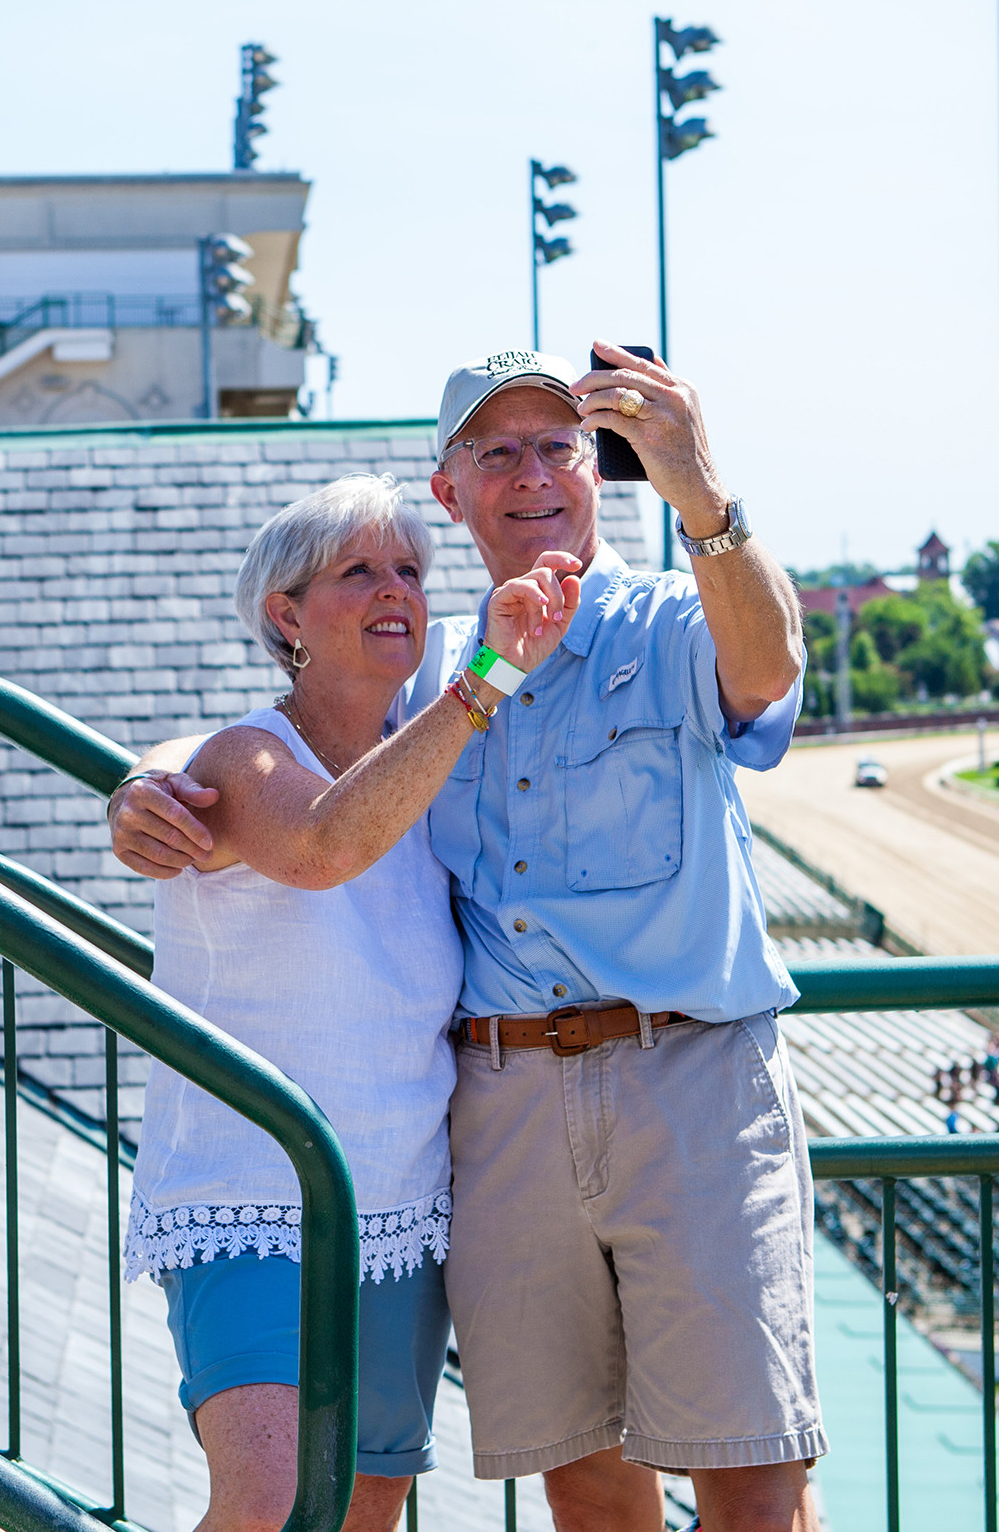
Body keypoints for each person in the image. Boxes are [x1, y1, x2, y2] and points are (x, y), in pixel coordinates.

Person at [111, 343, 826, 1532]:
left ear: (602, 467)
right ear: (453, 490)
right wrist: (140, 788)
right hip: (502, 1115)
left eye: (558, 445)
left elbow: (768, 668)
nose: (531, 473)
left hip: (688, 1078)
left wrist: (700, 489)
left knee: (751, 1473)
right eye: (495, 451)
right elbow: (290, 759)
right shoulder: (431, 660)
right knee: (584, 1478)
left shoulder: (667, 617)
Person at [126, 473, 580, 1532]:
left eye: (413, 570)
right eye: (360, 570)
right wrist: (484, 681)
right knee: (274, 1500)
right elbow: (324, 842)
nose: (398, 591)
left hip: (400, 1203)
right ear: (286, 616)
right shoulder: (243, 754)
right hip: (247, 1198)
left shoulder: (432, 753)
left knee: (365, 1506)